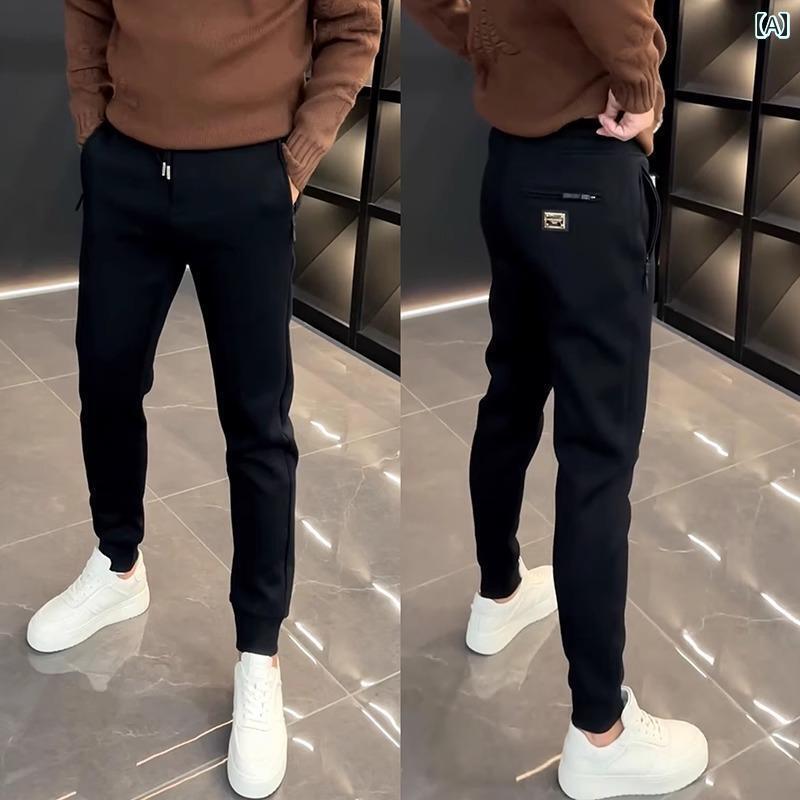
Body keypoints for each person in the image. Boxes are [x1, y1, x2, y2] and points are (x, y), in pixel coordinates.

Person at [26, 1, 381, 797]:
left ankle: (259, 653)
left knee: (257, 425)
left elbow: (354, 28)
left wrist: (296, 160)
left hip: (249, 178)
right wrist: (91, 127)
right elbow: (87, 8)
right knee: (106, 379)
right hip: (125, 170)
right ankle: (118, 564)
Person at [404, 1, 709, 798]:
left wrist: (493, 46)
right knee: (598, 454)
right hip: (586, 164)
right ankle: (601, 733)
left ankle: (499, 591)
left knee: (511, 393)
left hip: (512, 166)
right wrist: (643, 90)